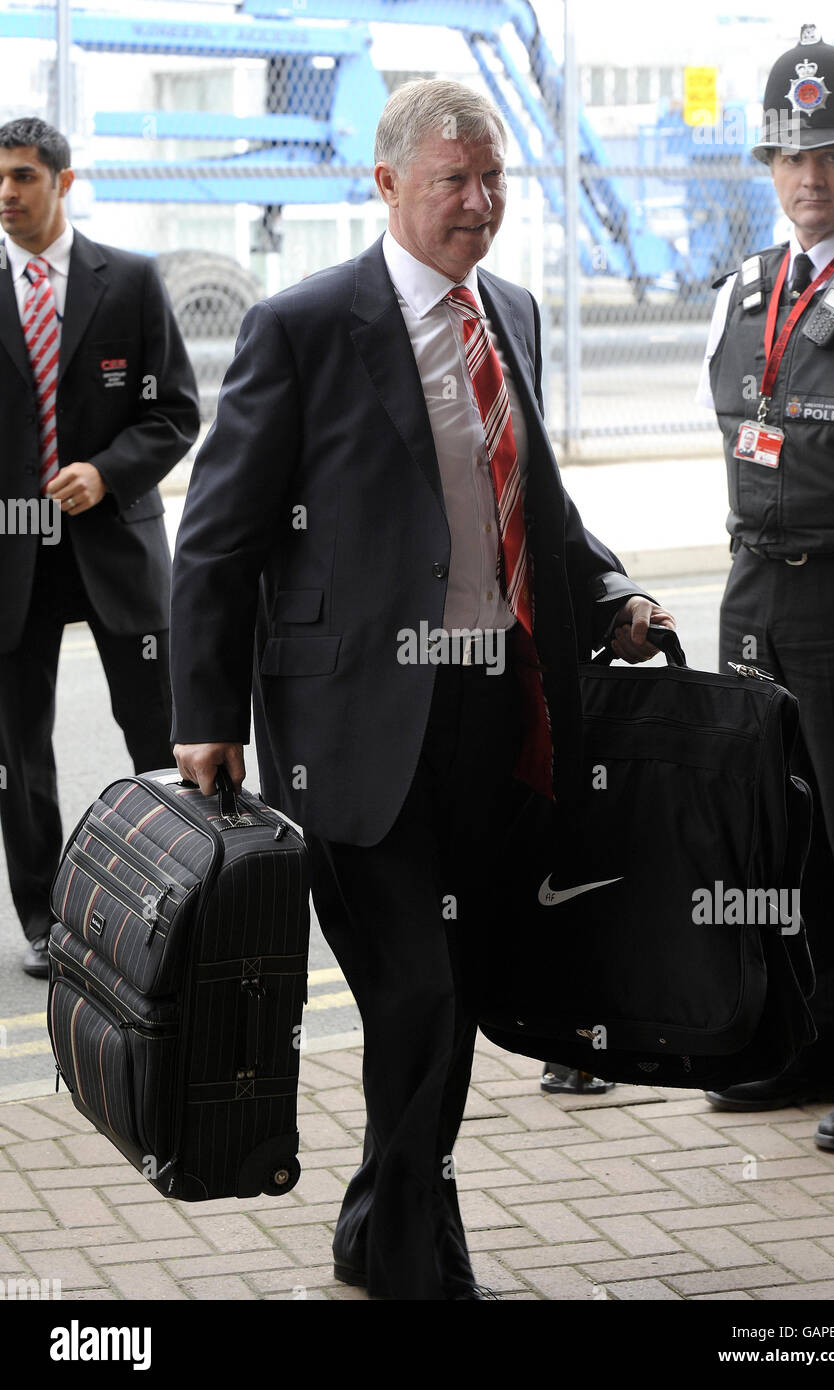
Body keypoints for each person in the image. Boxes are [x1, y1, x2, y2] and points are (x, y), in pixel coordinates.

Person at [169, 79, 674, 1301]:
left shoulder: (513, 311)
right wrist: (200, 718)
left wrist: (607, 592)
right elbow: (218, 538)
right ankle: (410, 1250)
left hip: (496, 716)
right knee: (420, 989)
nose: (482, 202)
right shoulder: (303, 327)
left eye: (494, 176)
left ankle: (375, 1215)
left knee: (457, 985)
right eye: (455, 179)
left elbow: (536, 506)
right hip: (355, 728)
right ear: (387, 184)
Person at [697, 27, 834, 1152]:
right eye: (790, 156)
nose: (809, 177)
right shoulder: (738, 292)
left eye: (831, 155)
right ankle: (806, 1046)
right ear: (768, 171)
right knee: (782, 836)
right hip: (755, 597)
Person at [0, 117, 199, 978]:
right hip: (13, 559)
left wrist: (105, 471)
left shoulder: (131, 282)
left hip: (114, 546)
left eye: (22, 177)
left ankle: (189, 902)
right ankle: (45, 919)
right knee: (20, 751)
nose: (6, 193)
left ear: (63, 182)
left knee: (160, 736)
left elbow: (177, 412)